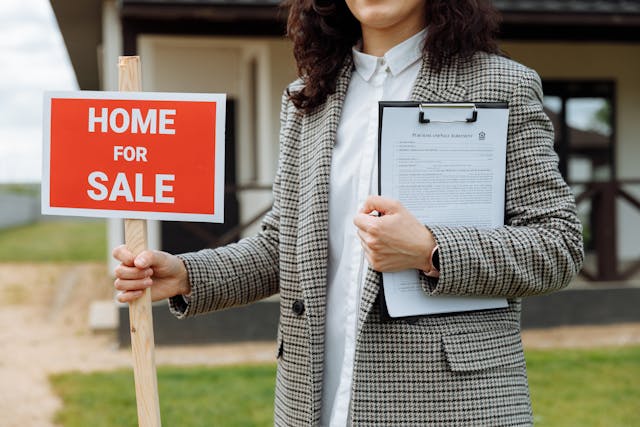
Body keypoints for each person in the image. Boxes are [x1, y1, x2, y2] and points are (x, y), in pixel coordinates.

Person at [113, 0, 584, 425]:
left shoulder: (501, 84)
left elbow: (557, 243)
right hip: (312, 399)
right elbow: (285, 245)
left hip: (451, 402)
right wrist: (186, 273)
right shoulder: (306, 98)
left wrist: (431, 250)